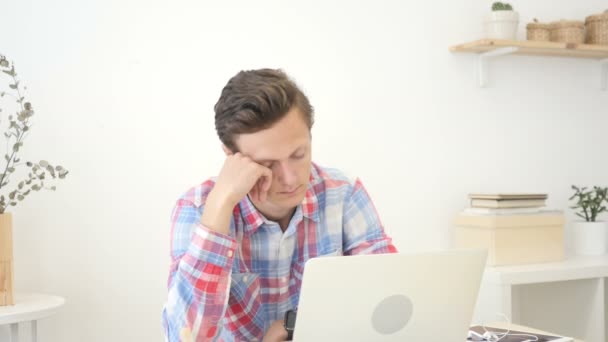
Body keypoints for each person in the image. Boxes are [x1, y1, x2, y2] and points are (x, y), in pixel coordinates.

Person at [162, 69, 397, 342]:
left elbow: (386, 298)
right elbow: (185, 337)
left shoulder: (343, 194)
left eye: (298, 154)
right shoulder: (197, 209)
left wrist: (291, 325)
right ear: (231, 157)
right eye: (267, 164)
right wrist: (220, 206)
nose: (290, 178)